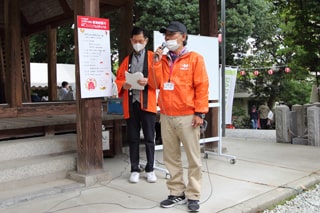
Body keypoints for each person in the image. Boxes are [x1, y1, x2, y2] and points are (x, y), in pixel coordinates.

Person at [150, 21, 209, 212]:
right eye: (166, 35)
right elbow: (155, 84)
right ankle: (176, 192)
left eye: (172, 35)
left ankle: (193, 195)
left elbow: (202, 86)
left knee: (193, 158)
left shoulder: (195, 59)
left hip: (188, 116)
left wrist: (200, 112)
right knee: (171, 157)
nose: (168, 38)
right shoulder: (163, 59)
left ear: (183, 36)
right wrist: (156, 63)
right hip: (167, 115)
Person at [115, 26, 158, 184]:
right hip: (131, 103)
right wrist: (123, 85)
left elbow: (161, 78)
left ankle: (150, 169)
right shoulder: (127, 60)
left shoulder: (153, 57)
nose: (138, 43)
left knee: (149, 138)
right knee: (132, 138)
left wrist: (149, 81)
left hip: (147, 103)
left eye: (140, 41)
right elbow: (119, 78)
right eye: (135, 41)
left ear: (146, 41)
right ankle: (134, 168)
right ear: (131, 41)